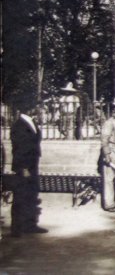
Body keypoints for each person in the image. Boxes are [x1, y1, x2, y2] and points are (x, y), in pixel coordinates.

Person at [10, 97, 47, 237]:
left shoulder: (31, 123)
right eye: (37, 106)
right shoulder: (19, 125)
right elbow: (19, 149)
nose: (39, 109)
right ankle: (17, 229)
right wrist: (24, 168)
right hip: (24, 167)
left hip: (32, 165)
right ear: (30, 108)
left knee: (31, 195)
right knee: (20, 196)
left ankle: (30, 225)